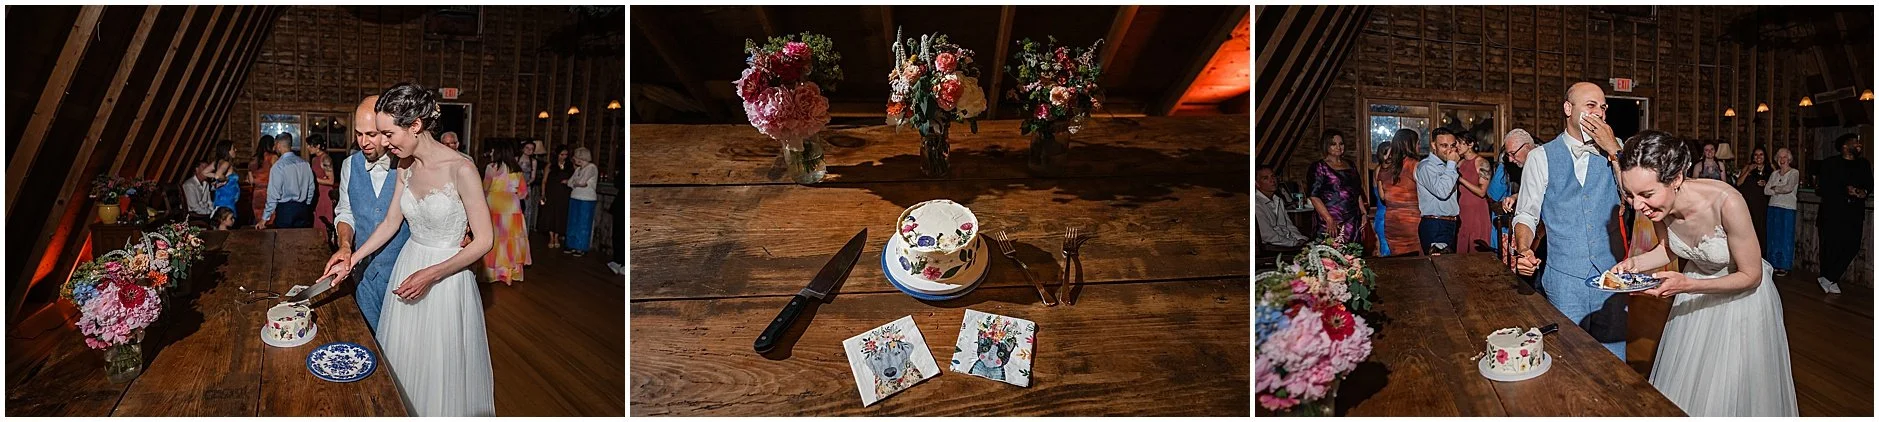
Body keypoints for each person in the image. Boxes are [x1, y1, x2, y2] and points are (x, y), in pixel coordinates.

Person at [323, 83, 495, 416]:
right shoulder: (405, 166)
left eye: (388, 134)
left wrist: (432, 274)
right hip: (409, 265)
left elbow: (485, 239)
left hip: (446, 277)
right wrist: (351, 258)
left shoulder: (462, 168)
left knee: (439, 365)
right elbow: (390, 223)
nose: (385, 143)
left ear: (415, 125)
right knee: (405, 358)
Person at [1609, 130, 1797, 416]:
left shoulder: (1727, 202)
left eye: (1646, 194)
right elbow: (1670, 249)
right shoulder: (1658, 209)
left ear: (1676, 179)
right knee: (1691, 382)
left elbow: (1752, 276)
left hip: (1741, 301)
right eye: (1630, 195)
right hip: (1694, 295)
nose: (1637, 205)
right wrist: (1634, 263)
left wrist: (1686, 285)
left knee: (1728, 389)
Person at [1511, 81, 1627, 358]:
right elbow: (1526, 213)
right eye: (1591, 106)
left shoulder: (1619, 152)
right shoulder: (1540, 157)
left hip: (1612, 274)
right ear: (1568, 109)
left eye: (1603, 108)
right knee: (1569, 357)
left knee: (1614, 359)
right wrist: (1524, 249)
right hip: (1564, 278)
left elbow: (1633, 197)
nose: (1599, 113)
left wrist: (1613, 150)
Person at [333, 95, 409, 332]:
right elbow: (345, 212)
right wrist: (345, 245)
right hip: (364, 276)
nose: (363, 142)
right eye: (358, 134)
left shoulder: (409, 165)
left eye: (371, 134)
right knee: (369, 340)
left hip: (403, 277)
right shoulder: (349, 165)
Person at [1812, 133, 1870, 294]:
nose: (1859, 145)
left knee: (1853, 245)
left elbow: (1869, 184)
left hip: (1854, 213)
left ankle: (1829, 277)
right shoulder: (1830, 164)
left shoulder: (1864, 164)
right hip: (1832, 213)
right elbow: (1822, 188)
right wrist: (1845, 190)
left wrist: (1863, 192)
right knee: (1831, 247)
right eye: (1855, 142)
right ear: (1845, 146)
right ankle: (1831, 279)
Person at [482, 141, 530, 285]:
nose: (491, 153)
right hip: (513, 208)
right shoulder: (517, 169)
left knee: (496, 240)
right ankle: (510, 274)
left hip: (495, 206)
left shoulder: (491, 167)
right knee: (512, 241)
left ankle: (495, 274)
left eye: (493, 151)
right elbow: (523, 193)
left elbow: (485, 189)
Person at [1306, 130, 1364, 244]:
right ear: (1326, 146)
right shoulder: (1319, 167)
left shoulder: (1351, 165)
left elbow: (1357, 191)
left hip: (1352, 219)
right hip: (1330, 220)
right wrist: (1328, 219)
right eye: (1333, 144)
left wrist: (1363, 213)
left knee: (1353, 251)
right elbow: (1313, 196)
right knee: (1330, 251)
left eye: (1341, 144)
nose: (1338, 147)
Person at [1488, 128, 1535, 258]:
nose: (1510, 159)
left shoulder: (1543, 162)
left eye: (1513, 154)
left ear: (1527, 147)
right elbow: (1493, 194)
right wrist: (1515, 196)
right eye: (1508, 155)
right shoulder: (1512, 166)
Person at [1416, 128, 1464, 255]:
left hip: (1449, 224)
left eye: (1452, 146)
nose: (1449, 150)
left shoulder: (1446, 166)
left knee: (1448, 265)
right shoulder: (1426, 167)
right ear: (1433, 145)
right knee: (1440, 265)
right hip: (1435, 224)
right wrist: (1452, 164)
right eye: (1444, 146)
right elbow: (1442, 192)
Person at [1375, 133, 1421, 256]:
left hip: (1392, 221)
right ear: (1410, 145)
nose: (1419, 146)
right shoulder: (1414, 165)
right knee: (1416, 262)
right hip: (1412, 222)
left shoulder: (1386, 167)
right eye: (1418, 143)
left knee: (1398, 261)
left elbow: (1382, 197)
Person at [259, 135, 316, 229]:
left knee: (283, 237)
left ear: (278, 145)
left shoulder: (279, 166)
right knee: (301, 237)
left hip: (285, 210)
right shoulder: (305, 163)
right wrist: (307, 204)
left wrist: (264, 219)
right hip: (303, 208)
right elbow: (311, 187)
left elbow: (273, 194)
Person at [1764, 148, 1799, 277]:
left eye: (1784, 157)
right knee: (1773, 236)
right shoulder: (1774, 174)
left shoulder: (1794, 173)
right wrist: (1777, 189)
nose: (1782, 160)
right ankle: (1772, 264)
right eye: (1779, 157)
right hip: (1773, 206)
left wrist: (1775, 188)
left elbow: (1788, 188)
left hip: (1788, 208)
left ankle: (1784, 266)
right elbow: (1766, 190)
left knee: (1785, 237)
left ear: (1789, 159)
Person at [1455, 132, 1493, 253]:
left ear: (1470, 144)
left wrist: (1461, 179)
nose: (1457, 146)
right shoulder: (1460, 163)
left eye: (1460, 143)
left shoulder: (1482, 163)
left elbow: (1482, 191)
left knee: (1476, 250)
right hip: (1462, 210)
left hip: (1477, 211)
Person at [1258, 165, 1310, 250]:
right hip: (1273, 247)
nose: (1272, 180)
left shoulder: (1278, 200)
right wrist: (1294, 244)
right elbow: (1267, 236)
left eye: (1273, 176)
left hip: (1288, 242)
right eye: (1265, 178)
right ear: (1256, 183)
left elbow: (1288, 225)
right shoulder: (1257, 204)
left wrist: (1301, 239)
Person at [565, 146, 600, 256]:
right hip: (575, 196)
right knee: (573, 222)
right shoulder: (578, 169)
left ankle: (581, 247)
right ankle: (571, 245)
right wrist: (577, 183)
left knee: (583, 223)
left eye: (575, 157)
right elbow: (570, 183)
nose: (574, 159)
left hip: (587, 199)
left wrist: (577, 183)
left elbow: (581, 182)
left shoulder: (591, 167)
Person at [1735, 146, 1770, 243]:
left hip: (1762, 204)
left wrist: (1766, 184)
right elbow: (1738, 183)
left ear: (1765, 156)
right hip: (1748, 203)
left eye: (1761, 154)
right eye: (1756, 155)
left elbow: (1774, 185)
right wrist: (1748, 171)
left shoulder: (1770, 168)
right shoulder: (1748, 167)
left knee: (1761, 229)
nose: (1758, 157)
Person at [542, 145, 574, 250]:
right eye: (561, 154)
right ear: (557, 154)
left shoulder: (570, 166)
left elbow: (574, 179)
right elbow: (544, 181)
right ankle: (551, 237)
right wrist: (543, 194)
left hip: (564, 194)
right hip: (552, 193)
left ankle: (557, 237)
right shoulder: (550, 165)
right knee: (551, 214)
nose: (564, 157)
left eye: (566, 155)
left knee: (561, 215)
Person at [306, 135, 338, 230]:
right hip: (316, 193)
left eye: (310, 145)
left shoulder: (325, 159)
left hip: (324, 194)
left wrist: (313, 179)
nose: (308, 147)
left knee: (324, 221)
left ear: (318, 146)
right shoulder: (314, 159)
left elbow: (331, 181)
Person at [208, 140, 241, 217]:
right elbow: (218, 175)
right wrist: (224, 179)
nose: (235, 150)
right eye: (233, 148)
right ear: (227, 151)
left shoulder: (217, 162)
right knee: (227, 220)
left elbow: (205, 172)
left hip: (224, 199)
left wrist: (218, 176)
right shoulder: (226, 163)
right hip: (226, 201)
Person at [250, 134, 278, 225]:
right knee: (270, 220)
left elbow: (251, 181)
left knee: (259, 219)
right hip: (269, 192)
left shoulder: (253, 159)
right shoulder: (273, 157)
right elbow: (277, 176)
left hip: (257, 193)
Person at [519, 140, 541, 233]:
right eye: (527, 148)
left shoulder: (533, 161)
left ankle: (525, 232)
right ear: (523, 148)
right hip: (515, 187)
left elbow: (533, 177)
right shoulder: (516, 159)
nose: (529, 150)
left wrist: (527, 184)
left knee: (527, 209)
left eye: (531, 149)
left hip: (526, 186)